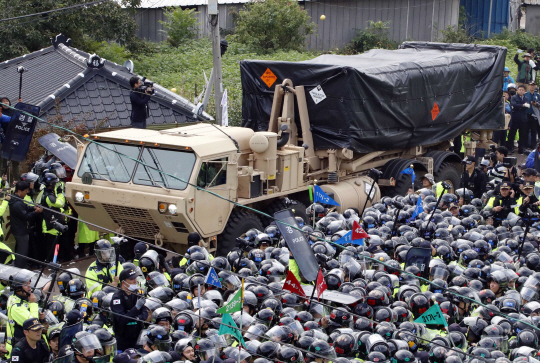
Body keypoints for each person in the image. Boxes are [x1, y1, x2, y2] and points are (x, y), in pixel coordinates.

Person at [6, 269, 45, 354]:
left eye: (29, 283)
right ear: (18, 288)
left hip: (26, 346)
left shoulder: (17, 297)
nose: (29, 287)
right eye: (25, 284)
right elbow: (34, 324)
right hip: (19, 350)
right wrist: (33, 304)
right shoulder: (16, 307)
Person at [110, 267, 148, 351]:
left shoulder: (137, 293)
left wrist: (137, 318)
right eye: (132, 279)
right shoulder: (117, 298)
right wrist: (136, 308)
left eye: (135, 278)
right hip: (123, 340)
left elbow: (145, 313)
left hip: (138, 337)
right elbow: (121, 319)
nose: (135, 281)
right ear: (123, 282)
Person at [9, 181, 42, 269]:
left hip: (20, 229)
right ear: (19, 191)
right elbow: (25, 216)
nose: (26, 193)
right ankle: (20, 267)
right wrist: (36, 212)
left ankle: (21, 266)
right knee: (22, 251)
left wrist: (33, 207)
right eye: (25, 191)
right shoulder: (17, 203)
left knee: (23, 250)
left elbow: (26, 207)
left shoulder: (17, 200)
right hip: (20, 231)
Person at [508, 85, 530, 154]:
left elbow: (527, 107)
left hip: (523, 119)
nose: (521, 91)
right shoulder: (514, 97)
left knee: (522, 134)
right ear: (517, 90)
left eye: (522, 90)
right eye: (520, 89)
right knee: (512, 134)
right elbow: (513, 104)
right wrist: (522, 105)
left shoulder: (526, 98)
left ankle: (521, 149)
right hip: (515, 118)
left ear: (524, 91)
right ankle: (510, 148)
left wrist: (520, 106)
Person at [525, 81, 540, 149]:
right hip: (526, 114)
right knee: (526, 130)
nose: (532, 86)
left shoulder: (537, 95)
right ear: (528, 86)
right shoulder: (525, 94)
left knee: (534, 130)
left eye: (533, 85)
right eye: (531, 85)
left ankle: (533, 145)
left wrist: (536, 104)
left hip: (534, 115)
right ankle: (526, 145)